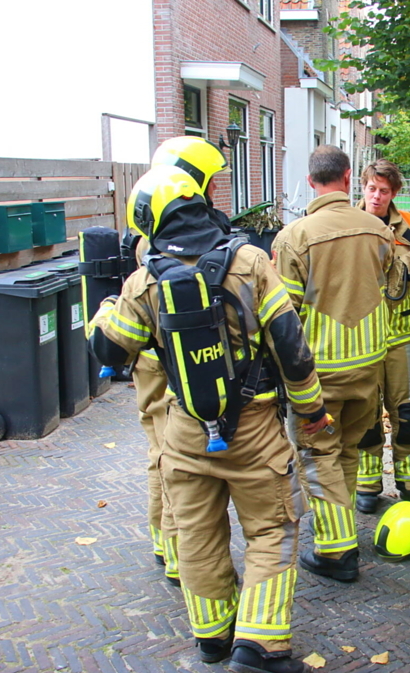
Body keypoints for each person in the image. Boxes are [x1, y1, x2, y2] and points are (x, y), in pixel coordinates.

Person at [90, 165, 327, 673]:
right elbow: (292, 348)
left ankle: (213, 636)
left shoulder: (143, 279)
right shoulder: (251, 262)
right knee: (272, 529)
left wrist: (104, 310)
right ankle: (262, 646)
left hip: (184, 429)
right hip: (255, 428)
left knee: (196, 533)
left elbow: (108, 351)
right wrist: (311, 411)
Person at [273, 145, 394, 582]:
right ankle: (340, 535)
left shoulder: (294, 238)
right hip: (369, 369)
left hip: (318, 376)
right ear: (347, 178)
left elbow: (282, 316)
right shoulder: (379, 231)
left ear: (311, 182)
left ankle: (336, 551)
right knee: (345, 450)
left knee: (316, 453)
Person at [135, 135, 230, 586]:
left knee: (168, 456)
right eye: (207, 184)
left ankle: (172, 548)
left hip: (170, 361)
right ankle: (174, 553)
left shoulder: (157, 233)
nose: (212, 195)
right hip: (165, 367)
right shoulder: (159, 247)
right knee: (167, 456)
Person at [353, 160, 410, 515]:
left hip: (400, 339)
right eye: (371, 188)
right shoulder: (348, 226)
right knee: (365, 417)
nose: (377, 196)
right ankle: (367, 486)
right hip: (359, 340)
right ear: (362, 188)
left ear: (394, 193)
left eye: (384, 190)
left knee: (409, 414)